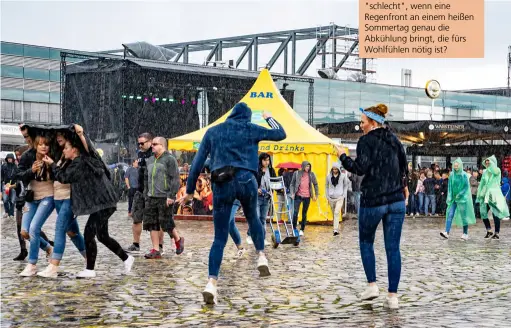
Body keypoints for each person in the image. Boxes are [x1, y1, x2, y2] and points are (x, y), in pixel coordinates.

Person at [179, 102, 286, 305]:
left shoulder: (213, 131)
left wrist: (190, 191)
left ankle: (211, 283)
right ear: (246, 116)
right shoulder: (251, 128)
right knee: (254, 217)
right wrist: (268, 117)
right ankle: (261, 255)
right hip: (247, 180)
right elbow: (281, 134)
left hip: (222, 182)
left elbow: (197, 164)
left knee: (219, 238)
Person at [337, 104, 407, 310]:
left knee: (366, 242)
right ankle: (393, 297)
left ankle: (372, 285)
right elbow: (403, 167)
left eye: (362, 122)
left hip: (374, 200)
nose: (361, 126)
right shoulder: (395, 140)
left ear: (373, 122)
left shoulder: (365, 141)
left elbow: (359, 168)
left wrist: (343, 156)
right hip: (395, 201)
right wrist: (404, 187)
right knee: (393, 248)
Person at [54, 134, 134, 278]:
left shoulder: (84, 160)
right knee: (102, 236)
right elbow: (64, 176)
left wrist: (79, 134)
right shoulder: (75, 163)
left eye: (66, 148)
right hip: (101, 203)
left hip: (104, 202)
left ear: (75, 149)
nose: (63, 151)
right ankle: (127, 258)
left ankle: (90, 269)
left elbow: (65, 177)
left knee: (89, 234)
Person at [38, 127, 87, 278]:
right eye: (57, 136)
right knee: (73, 232)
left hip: (68, 198)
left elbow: (65, 175)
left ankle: (53, 266)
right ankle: (89, 258)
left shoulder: (75, 158)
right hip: (58, 198)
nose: (58, 138)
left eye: (61, 136)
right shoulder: (61, 154)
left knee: (60, 229)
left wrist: (80, 134)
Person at [18, 135, 55, 276]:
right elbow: (19, 175)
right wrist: (31, 171)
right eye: (40, 144)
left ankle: (32, 264)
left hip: (48, 196)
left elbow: (61, 174)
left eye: (46, 144)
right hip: (31, 197)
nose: (44, 147)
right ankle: (48, 248)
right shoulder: (28, 157)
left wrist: (51, 164)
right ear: (35, 145)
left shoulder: (53, 157)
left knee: (34, 228)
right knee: (25, 232)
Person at [142, 136, 184, 259]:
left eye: (155, 144)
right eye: (152, 144)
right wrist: (146, 193)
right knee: (151, 224)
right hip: (151, 197)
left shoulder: (169, 159)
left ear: (162, 146)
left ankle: (178, 239)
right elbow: (146, 178)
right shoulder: (149, 160)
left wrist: (171, 196)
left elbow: (175, 179)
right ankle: (155, 249)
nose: (152, 146)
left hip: (164, 197)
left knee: (166, 223)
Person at [440, 158, 476, 240]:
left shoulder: (463, 175)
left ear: (460, 166)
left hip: (462, 199)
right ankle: (447, 232)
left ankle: (465, 233)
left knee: (464, 216)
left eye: (457, 166)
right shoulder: (452, 175)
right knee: (450, 214)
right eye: (454, 166)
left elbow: (466, 187)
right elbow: (450, 186)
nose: (456, 167)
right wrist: (450, 195)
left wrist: (460, 194)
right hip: (454, 199)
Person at [476, 155, 510, 239]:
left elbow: (495, 172)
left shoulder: (497, 170)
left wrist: (489, 167)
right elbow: (482, 184)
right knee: (483, 213)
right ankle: (489, 230)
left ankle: (497, 233)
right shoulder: (485, 172)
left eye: (489, 162)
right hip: (485, 194)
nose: (487, 163)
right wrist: (479, 194)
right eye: (486, 162)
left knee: (495, 214)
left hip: (494, 194)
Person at [246, 153, 275, 245]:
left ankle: (262, 238)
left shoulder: (271, 170)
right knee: (256, 217)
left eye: (268, 160)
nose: (267, 162)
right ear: (261, 161)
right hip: (256, 197)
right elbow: (251, 181)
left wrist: (273, 190)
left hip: (266, 197)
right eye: (265, 160)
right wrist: (256, 189)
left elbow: (274, 181)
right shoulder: (256, 170)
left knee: (262, 219)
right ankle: (250, 235)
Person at [289, 161, 319, 236]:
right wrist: (292, 193)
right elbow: (292, 184)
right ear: (303, 166)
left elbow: (315, 184)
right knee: (295, 213)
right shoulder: (296, 173)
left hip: (307, 197)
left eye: (309, 166)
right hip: (298, 195)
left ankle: (302, 229)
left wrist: (316, 195)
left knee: (304, 213)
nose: (307, 168)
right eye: (306, 166)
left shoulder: (311, 174)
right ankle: (294, 229)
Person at [326, 162, 349, 236]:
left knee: (336, 212)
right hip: (331, 198)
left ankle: (335, 230)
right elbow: (326, 186)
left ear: (338, 169)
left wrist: (343, 195)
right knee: (334, 214)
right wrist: (327, 195)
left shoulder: (343, 176)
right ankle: (335, 227)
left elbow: (345, 185)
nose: (334, 170)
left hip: (339, 197)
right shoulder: (328, 176)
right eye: (333, 169)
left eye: (336, 169)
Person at [2, 153, 17, 219]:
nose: (9, 160)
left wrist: (15, 184)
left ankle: (11, 214)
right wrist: (2, 182)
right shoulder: (4, 166)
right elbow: (1, 175)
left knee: (12, 200)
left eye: (10, 158)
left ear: (13, 159)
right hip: (6, 185)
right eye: (8, 158)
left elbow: (17, 176)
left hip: (13, 185)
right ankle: (7, 212)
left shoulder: (15, 166)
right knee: (5, 200)